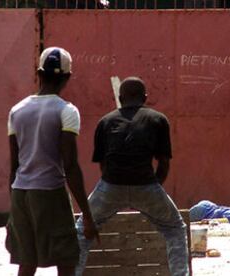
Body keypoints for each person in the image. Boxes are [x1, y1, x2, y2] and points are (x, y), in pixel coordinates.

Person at [75, 77, 189, 276]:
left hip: (110, 184)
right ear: (145, 97)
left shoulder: (105, 121)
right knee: (175, 229)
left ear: (120, 98)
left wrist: (117, 188)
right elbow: (163, 163)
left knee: (82, 231)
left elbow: (103, 165)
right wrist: (153, 188)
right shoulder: (158, 119)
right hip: (146, 184)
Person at [6, 47, 98, 276]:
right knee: (65, 259)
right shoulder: (67, 111)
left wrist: (15, 205)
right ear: (67, 77)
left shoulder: (17, 111)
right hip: (50, 192)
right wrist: (87, 215)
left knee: (27, 262)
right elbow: (70, 165)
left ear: (39, 73)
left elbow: (14, 166)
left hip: (20, 193)